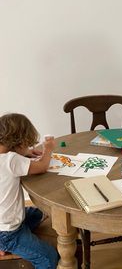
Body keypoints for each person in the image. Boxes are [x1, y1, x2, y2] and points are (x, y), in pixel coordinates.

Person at [0, 113, 59, 268]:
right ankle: (7, 244)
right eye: (26, 145)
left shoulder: (8, 157)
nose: (28, 148)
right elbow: (42, 167)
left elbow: (13, 157)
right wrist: (48, 149)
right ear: (18, 142)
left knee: (37, 213)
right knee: (49, 258)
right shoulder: (11, 160)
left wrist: (25, 153)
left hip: (3, 222)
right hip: (8, 232)